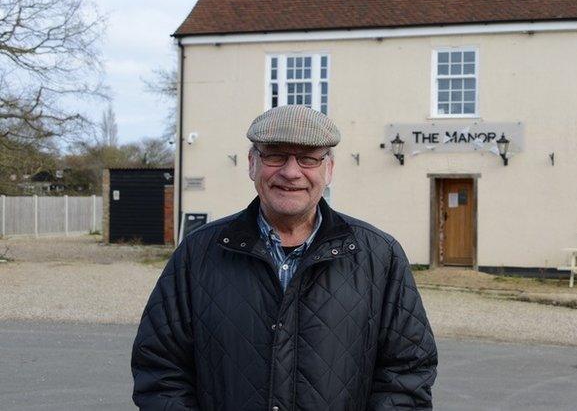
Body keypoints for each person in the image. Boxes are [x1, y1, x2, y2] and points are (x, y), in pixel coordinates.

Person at [131, 105, 437, 410]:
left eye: (308, 158)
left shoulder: (379, 256)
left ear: (328, 169)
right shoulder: (198, 254)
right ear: (252, 164)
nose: (291, 172)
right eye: (275, 155)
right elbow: (161, 371)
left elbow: (406, 375)